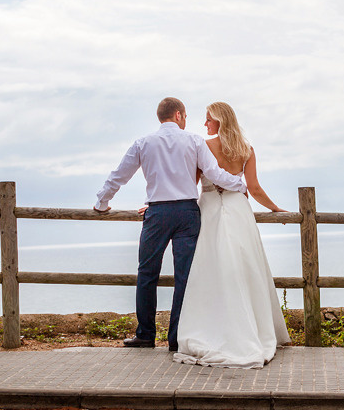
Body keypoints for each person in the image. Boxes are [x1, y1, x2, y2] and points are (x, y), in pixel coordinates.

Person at [94, 97, 247, 352]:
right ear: (178, 115)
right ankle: (176, 338)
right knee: (184, 276)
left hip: (158, 213)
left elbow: (119, 176)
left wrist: (102, 203)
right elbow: (215, 174)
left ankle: (145, 335)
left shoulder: (143, 143)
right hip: (187, 212)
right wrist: (240, 185)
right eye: (185, 116)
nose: (186, 121)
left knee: (147, 273)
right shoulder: (195, 141)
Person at [172, 101, 291, 369]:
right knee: (245, 267)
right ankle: (253, 328)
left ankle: (217, 328)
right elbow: (254, 189)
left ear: (219, 121)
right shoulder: (246, 149)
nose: (205, 124)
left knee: (211, 268)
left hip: (210, 208)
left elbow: (190, 184)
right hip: (239, 209)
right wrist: (275, 208)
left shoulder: (204, 147)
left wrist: (158, 201)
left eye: (208, 119)